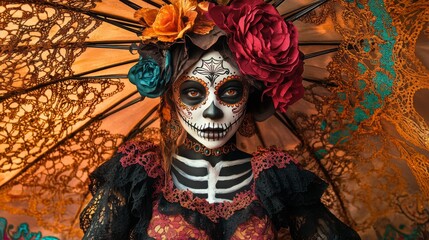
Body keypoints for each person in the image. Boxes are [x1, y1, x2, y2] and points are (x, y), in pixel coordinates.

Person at [80, 0, 361, 239]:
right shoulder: (138, 177)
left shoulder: (277, 180)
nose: (212, 111)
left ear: (250, 96)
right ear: (171, 99)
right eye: (193, 92)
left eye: (229, 91)